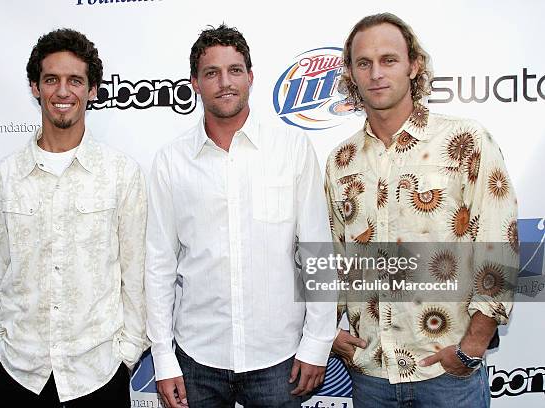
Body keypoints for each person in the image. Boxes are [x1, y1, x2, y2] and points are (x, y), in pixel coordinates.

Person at [325, 13, 518, 408]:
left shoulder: (465, 140)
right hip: (371, 374)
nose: (376, 73)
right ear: (352, 74)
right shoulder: (340, 161)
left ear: (414, 65)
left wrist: (472, 348)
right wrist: (326, 333)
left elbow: (500, 243)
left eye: (389, 60)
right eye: (364, 63)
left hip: (446, 375)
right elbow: (332, 256)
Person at [145, 24, 336, 408]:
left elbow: (317, 251)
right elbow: (159, 264)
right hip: (197, 357)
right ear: (195, 84)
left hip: (278, 358)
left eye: (234, 70)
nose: (224, 82)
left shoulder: (291, 148)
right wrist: (163, 358)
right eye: (211, 73)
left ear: (250, 77)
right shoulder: (171, 161)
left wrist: (317, 343)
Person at [0, 28, 148, 407]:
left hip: (99, 372)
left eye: (75, 80)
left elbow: (135, 275)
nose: (62, 91)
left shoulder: (121, 173)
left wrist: (127, 352)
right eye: (51, 79)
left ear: (92, 90)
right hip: (20, 371)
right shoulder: (5, 177)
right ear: (35, 87)